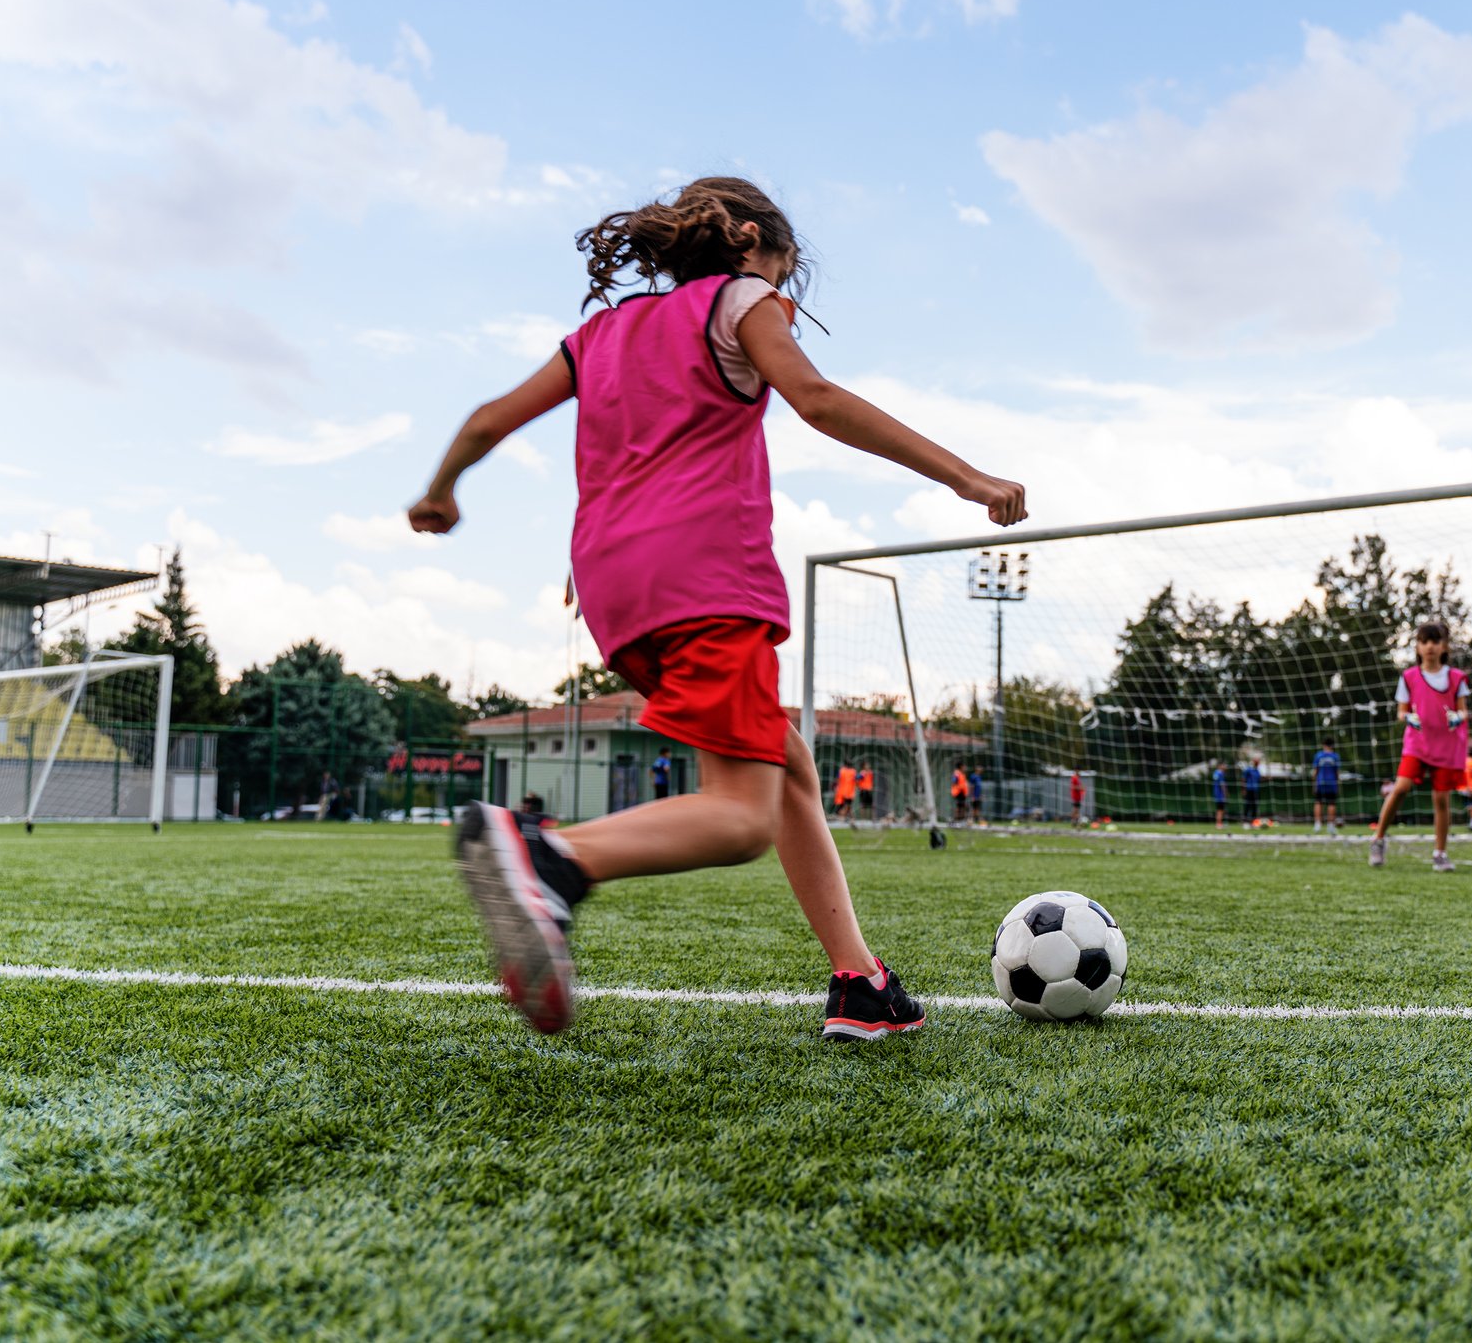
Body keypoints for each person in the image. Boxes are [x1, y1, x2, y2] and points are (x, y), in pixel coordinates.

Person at [411, 176, 1025, 1040]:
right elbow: (818, 400)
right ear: (747, 239)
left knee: (791, 771)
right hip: (704, 578)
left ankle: (860, 983)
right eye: (783, 266)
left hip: (615, 590)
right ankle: (552, 858)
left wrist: (441, 492)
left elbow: (485, 420)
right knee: (741, 816)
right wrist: (968, 476)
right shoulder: (742, 301)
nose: (783, 287)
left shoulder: (600, 332)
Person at [1370, 621, 1470, 871]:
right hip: (1417, 743)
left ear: (1444, 646)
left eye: (1435, 641)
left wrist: (1458, 717)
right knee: (1401, 787)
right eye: (1424, 641)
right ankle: (1378, 839)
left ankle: (1440, 853)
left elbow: (1463, 710)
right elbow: (1401, 712)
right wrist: (1409, 718)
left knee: (1441, 799)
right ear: (1417, 646)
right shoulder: (1409, 677)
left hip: (1446, 746)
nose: (1430, 647)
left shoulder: (1457, 678)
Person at [1312, 739, 1341, 834]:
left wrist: (1314, 782)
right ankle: (1330, 826)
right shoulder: (1335, 756)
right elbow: (1337, 773)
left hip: (1320, 782)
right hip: (1332, 783)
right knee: (1331, 803)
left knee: (1318, 802)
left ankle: (1317, 825)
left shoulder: (1319, 755)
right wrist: (1338, 783)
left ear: (1324, 745)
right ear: (1332, 745)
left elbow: (1315, 771)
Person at [1242, 757, 1262, 826]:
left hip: (1256, 791)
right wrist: (1244, 789)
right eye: (1256, 761)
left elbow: (1259, 779)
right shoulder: (1248, 770)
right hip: (1249, 790)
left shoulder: (1257, 771)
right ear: (1253, 762)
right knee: (1247, 806)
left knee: (1255, 806)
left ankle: (1254, 822)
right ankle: (1245, 822)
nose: (1258, 763)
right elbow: (1244, 779)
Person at [1211, 760, 1228, 829]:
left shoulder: (1216, 773)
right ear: (1220, 766)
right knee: (1220, 809)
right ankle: (1218, 824)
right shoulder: (1219, 773)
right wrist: (1225, 793)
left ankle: (1219, 823)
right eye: (1224, 765)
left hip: (1217, 794)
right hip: (1220, 794)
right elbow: (1222, 784)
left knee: (1221, 809)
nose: (1226, 767)